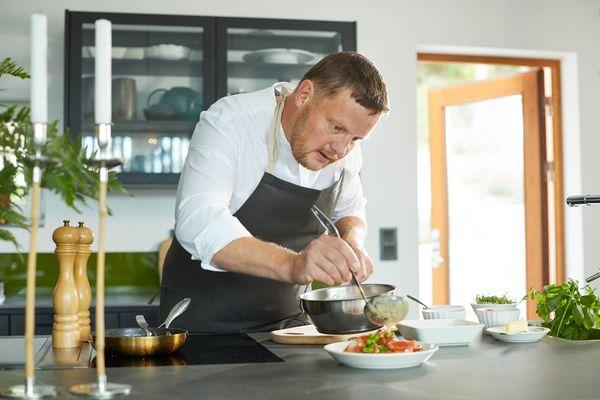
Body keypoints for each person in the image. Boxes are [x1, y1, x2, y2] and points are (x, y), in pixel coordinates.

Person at [159, 51, 389, 333]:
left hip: (289, 327)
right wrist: (294, 265)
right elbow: (198, 221)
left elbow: (349, 209)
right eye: (336, 127)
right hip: (202, 326)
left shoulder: (346, 150)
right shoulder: (231, 120)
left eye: (355, 138)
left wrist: (353, 242)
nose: (341, 150)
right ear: (304, 94)